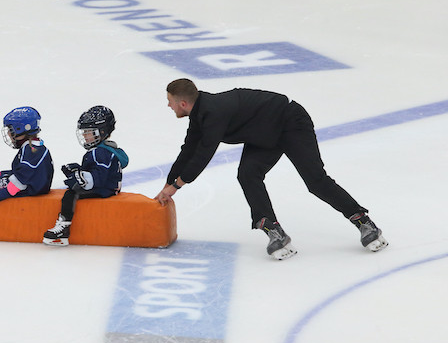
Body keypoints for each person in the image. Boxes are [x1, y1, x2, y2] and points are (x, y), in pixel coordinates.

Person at [154, 78, 387, 260]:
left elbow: (204, 154)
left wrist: (177, 185)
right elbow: (188, 149)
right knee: (248, 175)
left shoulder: (213, 113)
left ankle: (363, 221)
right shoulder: (199, 115)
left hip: (290, 123)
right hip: (262, 134)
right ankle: (274, 230)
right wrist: (168, 183)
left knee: (316, 180)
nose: (168, 105)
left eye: (170, 101)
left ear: (182, 103)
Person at [43, 106, 129, 246]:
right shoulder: (104, 150)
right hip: (108, 187)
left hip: (105, 189)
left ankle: (64, 227)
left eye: (88, 132)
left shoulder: (100, 153)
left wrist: (77, 176)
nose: (84, 136)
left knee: (71, 194)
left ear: (102, 132)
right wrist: (78, 170)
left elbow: (96, 179)